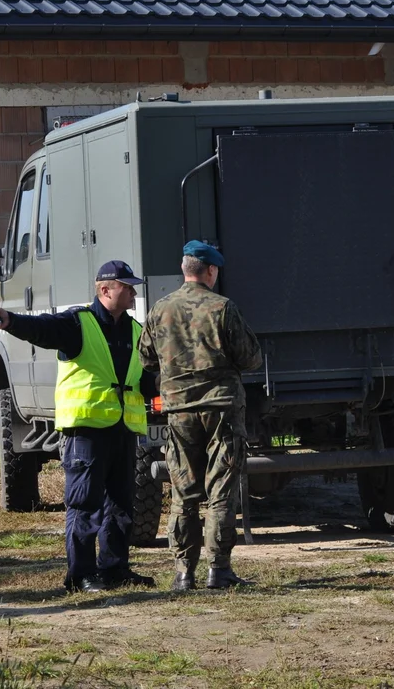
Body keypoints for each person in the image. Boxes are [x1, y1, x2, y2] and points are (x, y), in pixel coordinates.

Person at [0, 260, 158, 593]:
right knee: (84, 503)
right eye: (127, 286)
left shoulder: (136, 332)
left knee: (122, 504)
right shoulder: (79, 323)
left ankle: (115, 568)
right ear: (105, 290)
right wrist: (9, 321)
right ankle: (80, 574)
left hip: (122, 429)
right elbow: (42, 329)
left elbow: (145, 380)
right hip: (86, 430)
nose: (134, 292)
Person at [139, 240, 262, 591]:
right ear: (210, 271)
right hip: (221, 409)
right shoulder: (223, 308)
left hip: (179, 411)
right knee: (221, 489)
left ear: (183, 269)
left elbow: (146, 358)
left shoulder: (160, 309)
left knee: (184, 492)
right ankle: (218, 570)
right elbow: (251, 357)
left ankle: (183, 573)